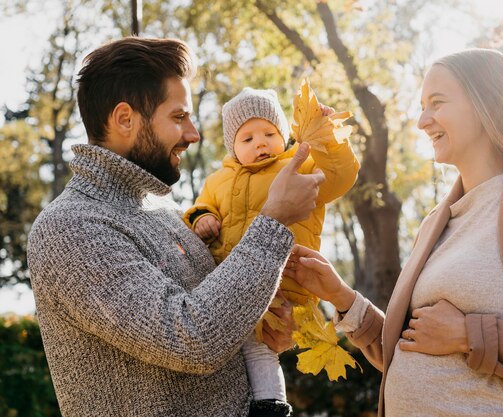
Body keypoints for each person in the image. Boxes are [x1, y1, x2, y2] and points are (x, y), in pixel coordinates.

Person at [283, 48, 503, 417]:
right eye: (421, 105)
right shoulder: (436, 223)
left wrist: (471, 336)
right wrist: (343, 298)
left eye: (437, 103)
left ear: (487, 105)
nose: (421, 121)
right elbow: (415, 348)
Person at [27, 37, 326, 417]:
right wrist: (275, 220)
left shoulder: (163, 209)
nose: (193, 134)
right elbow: (192, 339)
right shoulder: (70, 228)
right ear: (124, 119)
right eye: (179, 117)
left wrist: (261, 326)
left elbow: (216, 319)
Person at [182, 87, 360, 414]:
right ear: (232, 147)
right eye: (247, 139)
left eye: (269, 133)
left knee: (262, 347)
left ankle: (271, 405)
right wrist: (203, 218)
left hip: (284, 283)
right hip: (230, 284)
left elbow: (339, 176)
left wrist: (328, 138)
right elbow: (198, 207)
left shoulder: (299, 167)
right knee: (236, 349)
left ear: (283, 135)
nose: (260, 142)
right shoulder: (218, 180)